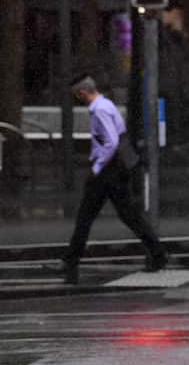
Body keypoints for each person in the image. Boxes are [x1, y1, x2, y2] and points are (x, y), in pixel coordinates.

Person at [58, 75, 166, 284]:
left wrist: (97, 166)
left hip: (109, 171)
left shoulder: (99, 110)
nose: (77, 99)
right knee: (123, 215)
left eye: (76, 96)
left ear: (82, 93)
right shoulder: (106, 104)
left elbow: (111, 141)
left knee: (89, 216)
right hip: (114, 169)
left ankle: (70, 261)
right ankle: (158, 253)